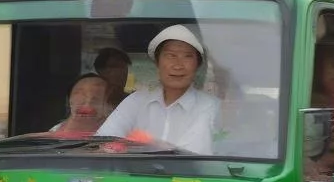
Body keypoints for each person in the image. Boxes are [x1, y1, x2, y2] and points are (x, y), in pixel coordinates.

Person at [97, 25, 219, 154]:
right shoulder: (135, 101)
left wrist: (148, 143)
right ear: (157, 62)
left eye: (187, 56)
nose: (178, 65)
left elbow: (197, 157)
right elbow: (104, 141)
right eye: (170, 55)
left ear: (197, 65)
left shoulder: (211, 107)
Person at [51, 73, 111, 138]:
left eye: (98, 94)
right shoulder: (55, 132)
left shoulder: (116, 133)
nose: (88, 101)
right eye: (79, 94)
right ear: (69, 102)